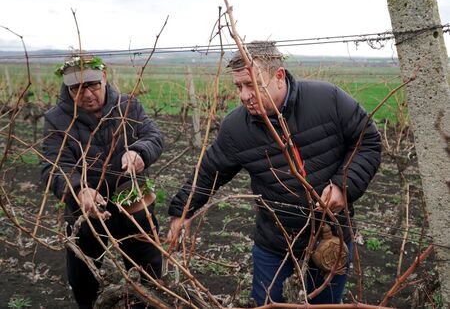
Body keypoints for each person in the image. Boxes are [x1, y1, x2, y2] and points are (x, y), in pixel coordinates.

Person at [167, 41, 381, 305]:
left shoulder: (328, 99)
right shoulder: (236, 128)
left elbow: (368, 142)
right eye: (239, 87)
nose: (244, 95)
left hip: (331, 238)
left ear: (279, 76)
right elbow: (210, 171)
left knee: (326, 305)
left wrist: (343, 186)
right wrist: (183, 210)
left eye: (252, 84)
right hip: (275, 243)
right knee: (267, 303)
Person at [41, 53, 164, 309]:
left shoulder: (129, 105)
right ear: (67, 88)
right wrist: (78, 189)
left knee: (149, 271)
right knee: (83, 277)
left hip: (133, 203)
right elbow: (54, 167)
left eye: (92, 85)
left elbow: (153, 135)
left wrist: (140, 152)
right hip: (86, 211)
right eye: (76, 88)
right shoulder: (57, 119)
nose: (86, 94)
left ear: (104, 78)